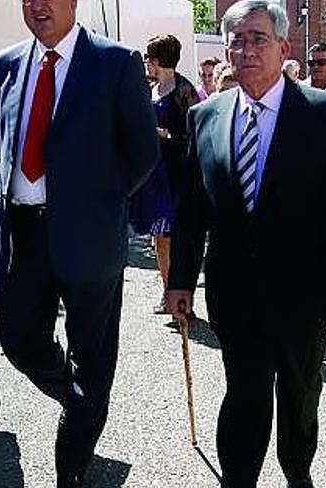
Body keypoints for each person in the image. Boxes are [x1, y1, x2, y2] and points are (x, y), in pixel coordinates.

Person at [167, 2, 326, 488]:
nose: (245, 49)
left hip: (304, 290)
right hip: (234, 289)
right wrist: (179, 280)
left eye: (257, 38)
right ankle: (238, 480)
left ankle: (297, 473)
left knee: (300, 391)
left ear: (283, 47)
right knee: (244, 391)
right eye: (236, 40)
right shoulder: (205, 116)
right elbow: (193, 209)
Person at [0, 0, 158, 488]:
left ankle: (73, 464)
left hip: (89, 234)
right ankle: (81, 400)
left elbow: (142, 151)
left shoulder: (115, 61)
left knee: (93, 351)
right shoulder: (6, 64)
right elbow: (7, 145)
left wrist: (98, 203)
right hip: (22, 233)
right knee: (20, 341)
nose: (38, 6)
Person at [130, 34, 200, 315]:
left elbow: (195, 133)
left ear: (157, 60)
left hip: (176, 173)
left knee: (176, 237)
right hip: (153, 173)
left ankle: (182, 295)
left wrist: (163, 133)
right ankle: (167, 291)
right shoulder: (150, 88)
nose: (147, 63)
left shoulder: (184, 90)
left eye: (149, 58)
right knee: (159, 238)